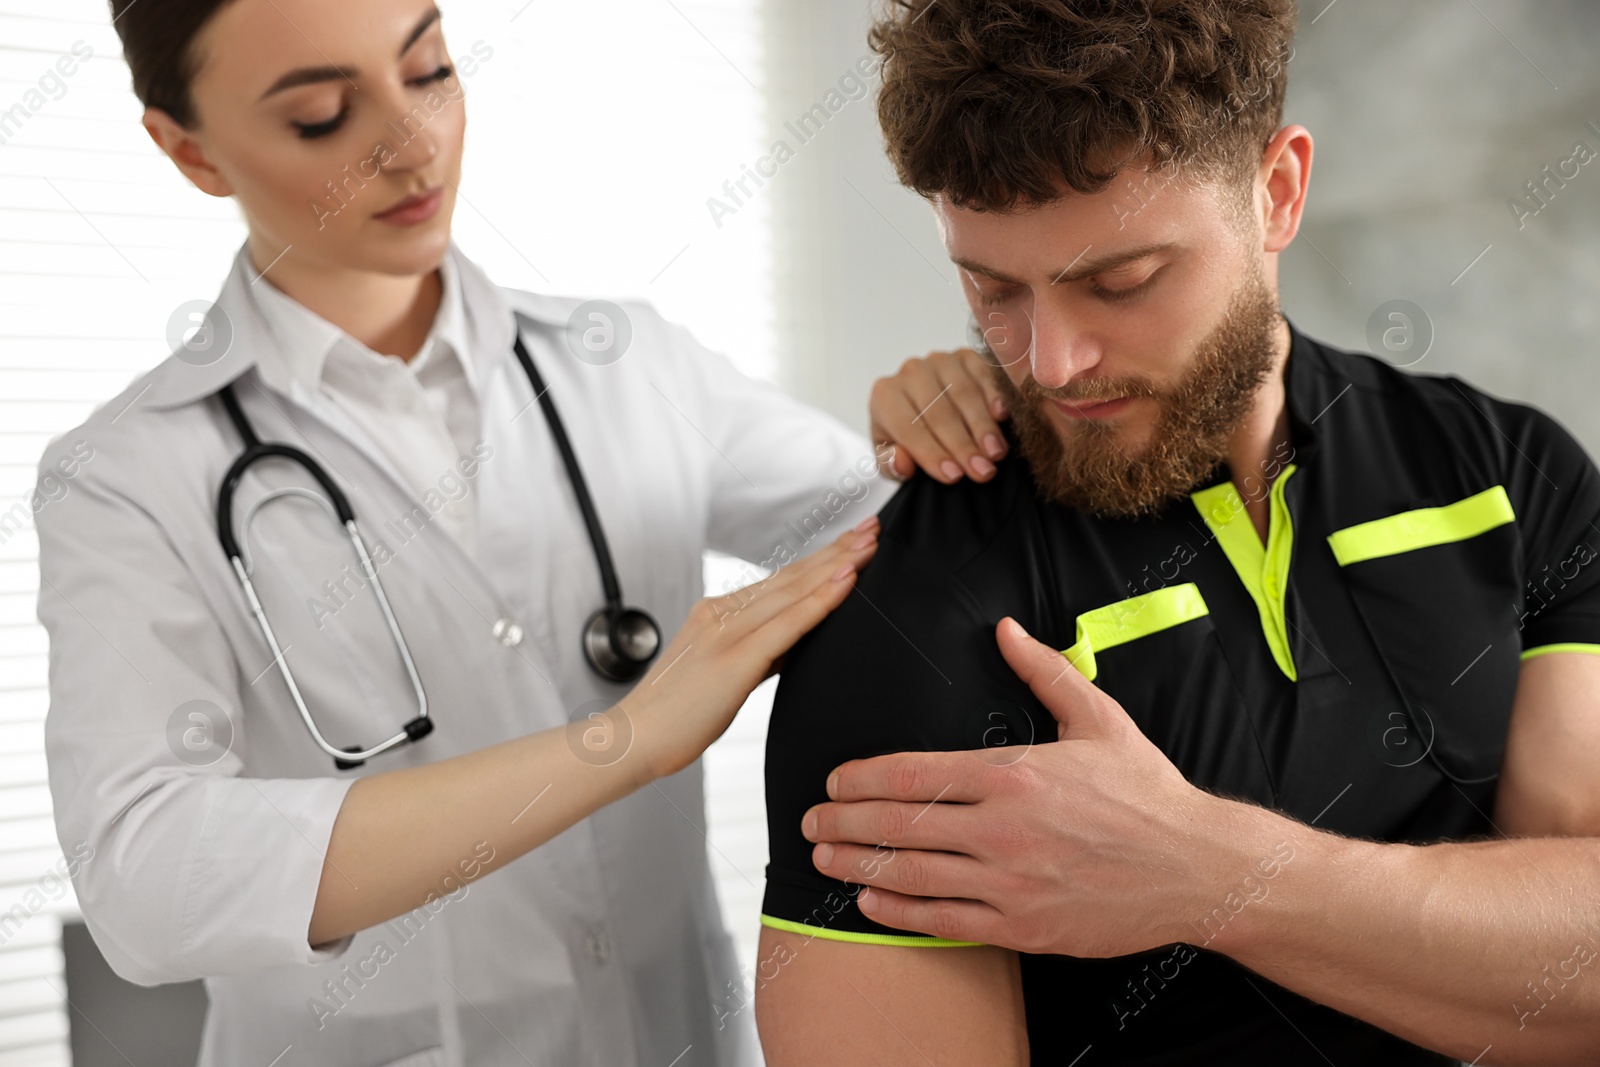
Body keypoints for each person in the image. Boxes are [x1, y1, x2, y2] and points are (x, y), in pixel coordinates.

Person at [37, 1, 996, 1064]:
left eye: (430, 70)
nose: (412, 144)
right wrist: (618, 741)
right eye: (319, 115)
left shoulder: (625, 363)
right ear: (188, 151)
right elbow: (146, 874)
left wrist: (951, 414)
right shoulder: (128, 474)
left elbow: (907, 542)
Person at [755, 1, 1600, 1064]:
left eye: (1121, 282)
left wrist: (1208, 872)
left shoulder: (1510, 476)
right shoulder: (913, 610)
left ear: (1277, 192)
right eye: (992, 287)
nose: (1052, 361)